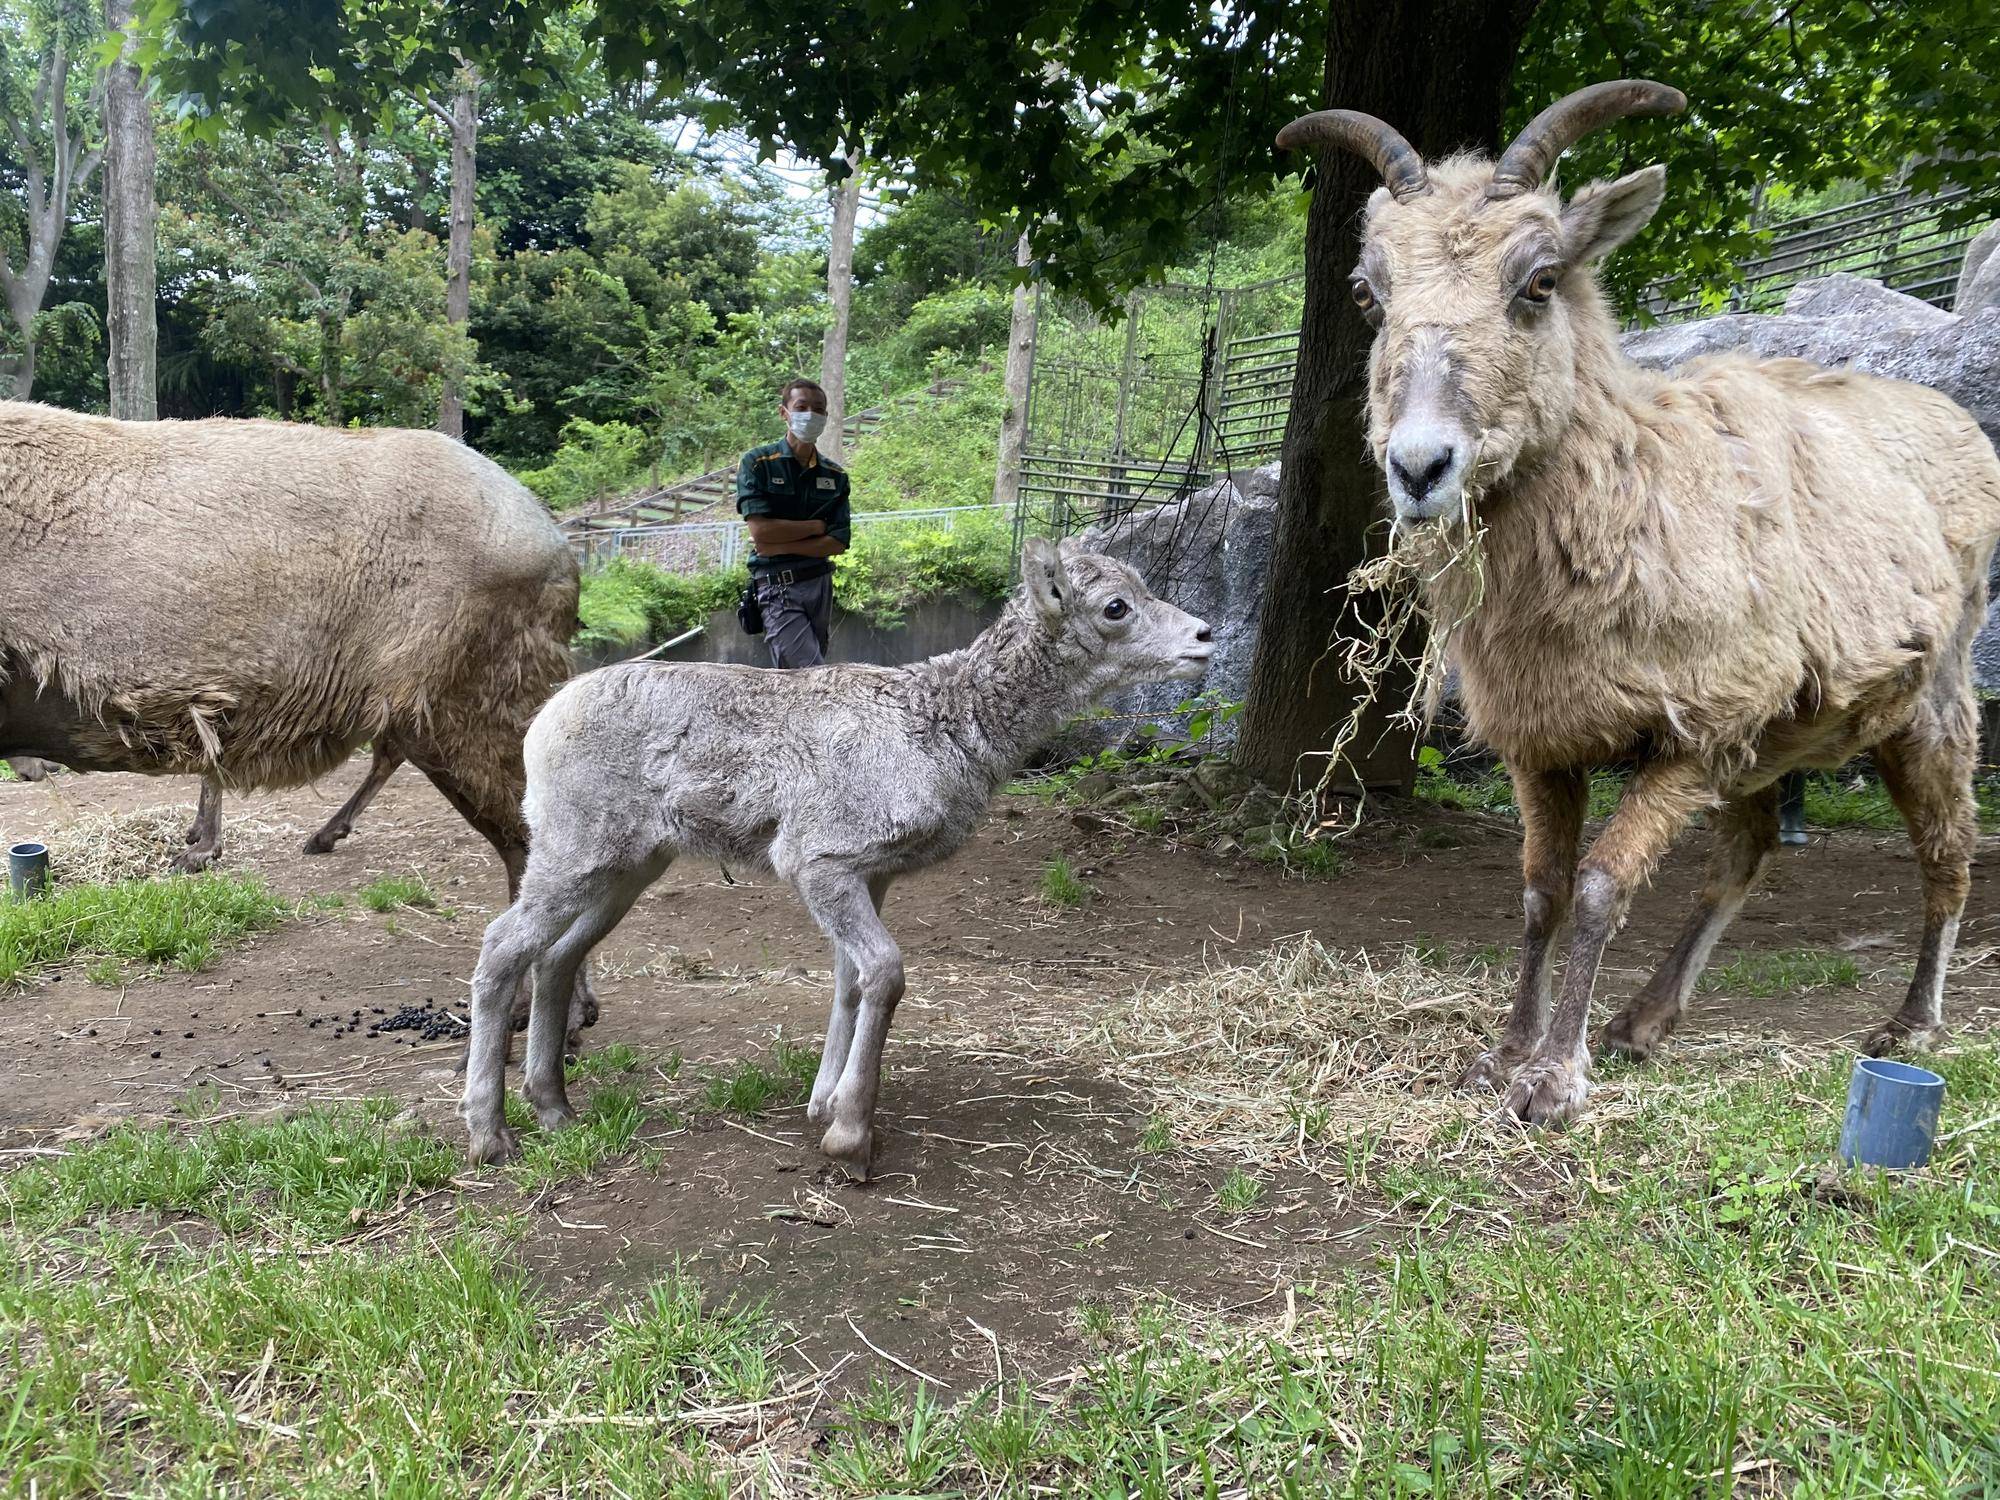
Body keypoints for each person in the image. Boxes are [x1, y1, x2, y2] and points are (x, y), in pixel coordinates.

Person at [735, 378, 851, 667]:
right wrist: (816, 528)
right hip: (778, 586)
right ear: (783, 412)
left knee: (800, 680)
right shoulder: (758, 463)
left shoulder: (835, 476)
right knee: (810, 674)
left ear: (826, 416)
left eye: (818, 409)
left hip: (820, 584)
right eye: (801, 407)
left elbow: (838, 542)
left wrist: (779, 545)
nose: (810, 414)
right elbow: (761, 532)